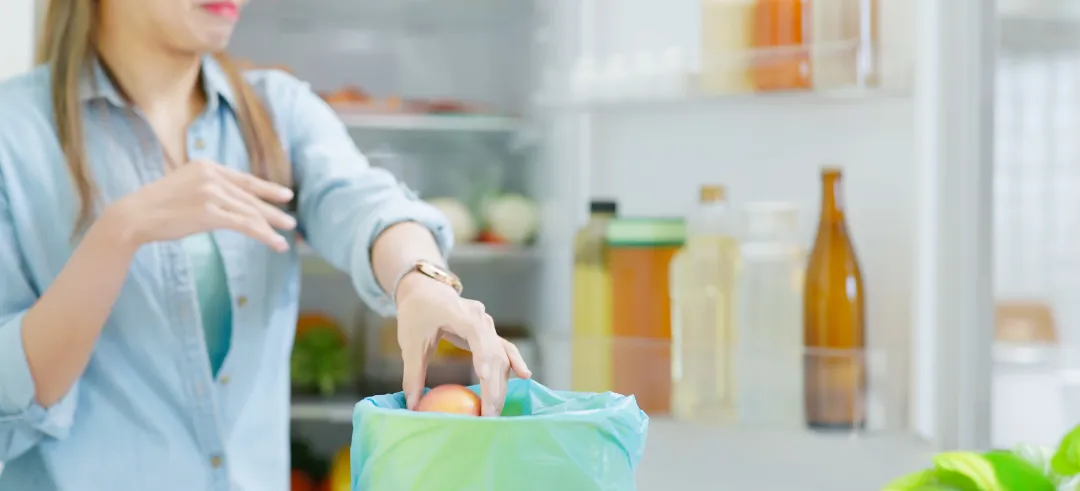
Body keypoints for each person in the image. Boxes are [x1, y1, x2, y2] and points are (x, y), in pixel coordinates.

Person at [0, 0, 531, 489]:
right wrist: (119, 233)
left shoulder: (278, 111)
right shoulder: (14, 133)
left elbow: (364, 202)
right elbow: (12, 390)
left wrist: (420, 282)